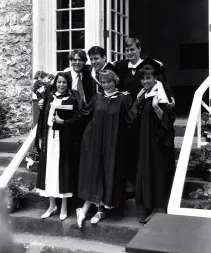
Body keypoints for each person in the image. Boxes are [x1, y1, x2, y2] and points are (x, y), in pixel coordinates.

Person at [114, 38, 175, 194]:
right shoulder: (121, 68)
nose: (129, 53)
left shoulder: (151, 67)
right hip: (130, 115)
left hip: (148, 116)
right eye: (127, 50)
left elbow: (162, 87)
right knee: (129, 150)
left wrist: (170, 100)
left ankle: (146, 188)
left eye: (132, 49)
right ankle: (131, 186)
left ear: (139, 49)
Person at [74, 69, 134, 228]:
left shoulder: (124, 99)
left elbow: (131, 119)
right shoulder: (98, 98)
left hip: (112, 143)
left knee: (107, 172)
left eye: (109, 81)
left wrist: (140, 99)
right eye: (103, 82)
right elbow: (84, 114)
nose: (106, 85)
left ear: (115, 81)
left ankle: (98, 210)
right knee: (95, 173)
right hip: (94, 141)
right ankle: (92, 210)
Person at [133, 57, 176, 224]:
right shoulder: (144, 93)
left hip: (159, 142)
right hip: (145, 140)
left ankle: (159, 208)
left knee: (158, 172)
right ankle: (150, 207)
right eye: (143, 78)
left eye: (148, 78)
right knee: (147, 171)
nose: (145, 81)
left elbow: (167, 119)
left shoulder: (161, 93)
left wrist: (157, 107)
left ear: (155, 78)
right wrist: (138, 100)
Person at [35, 72, 82, 221]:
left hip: (63, 140)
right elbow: (42, 119)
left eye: (64, 82)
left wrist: (63, 122)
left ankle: (64, 206)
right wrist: (40, 137)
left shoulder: (72, 99)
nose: (61, 85)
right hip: (50, 138)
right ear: (55, 83)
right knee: (50, 170)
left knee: (62, 170)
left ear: (68, 84)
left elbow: (76, 121)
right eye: (59, 82)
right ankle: (52, 205)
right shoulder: (49, 97)